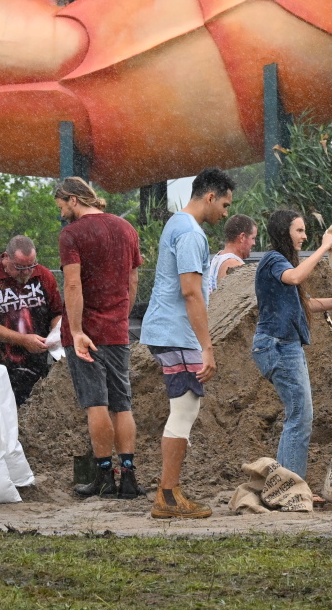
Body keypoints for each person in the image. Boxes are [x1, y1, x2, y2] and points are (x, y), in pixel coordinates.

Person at [141, 167, 236, 520]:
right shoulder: (191, 234)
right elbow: (191, 292)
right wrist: (206, 347)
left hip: (168, 330)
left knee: (184, 409)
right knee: (183, 410)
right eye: (224, 204)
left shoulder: (176, 224)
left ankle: (170, 492)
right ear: (209, 196)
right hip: (176, 333)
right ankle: (167, 496)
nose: (225, 213)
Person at [55, 176, 143, 500]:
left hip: (86, 331)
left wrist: (77, 331)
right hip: (117, 329)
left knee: (97, 403)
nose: (62, 212)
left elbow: (73, 285)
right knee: (122, 404)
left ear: (73, 199)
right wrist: (120, 314)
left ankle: (105, 476)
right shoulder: (126, 228)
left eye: (62, 205)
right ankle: (130, 477)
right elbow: (132, 280)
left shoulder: (72, 234)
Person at [254, 210, 332, 486]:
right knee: (300, 416)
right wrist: (324, 248)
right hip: (278, 346)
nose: (304, 237)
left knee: (298, 415)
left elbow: (307, 305)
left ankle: (283, 484)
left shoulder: (281, 263)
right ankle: (291, 487)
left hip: (283, 346)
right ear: (284, 233)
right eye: (299, 231)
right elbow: (294, 278)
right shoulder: (273, 260)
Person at [0, 236, 61, 406]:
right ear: (5, 257)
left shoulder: (44, 275)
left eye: (31, 266)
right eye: (20, 267)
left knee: (33, 407)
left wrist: (55, 336)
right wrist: (23, 340)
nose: (26, 272)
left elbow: (57, 313)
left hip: (34, 362)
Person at [202, 214, 257, 300]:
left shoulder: (218, 258)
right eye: (253, 238)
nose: (254, 243)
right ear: (242, 237)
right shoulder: (233, 265)